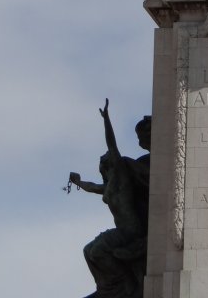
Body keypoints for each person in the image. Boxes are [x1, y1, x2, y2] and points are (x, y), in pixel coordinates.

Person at [69, 101, 150, 298]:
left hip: (131, 231)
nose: (106, 165)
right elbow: (93, 187)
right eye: (103, 164)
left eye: (107, 162)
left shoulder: (122, 176)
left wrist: (106, 120)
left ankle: (121, 286)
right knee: (88, 250)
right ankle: (108, 286)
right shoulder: (110, 186)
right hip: (122, 230)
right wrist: (78, 182)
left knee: (97, 251)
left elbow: (112, 145)